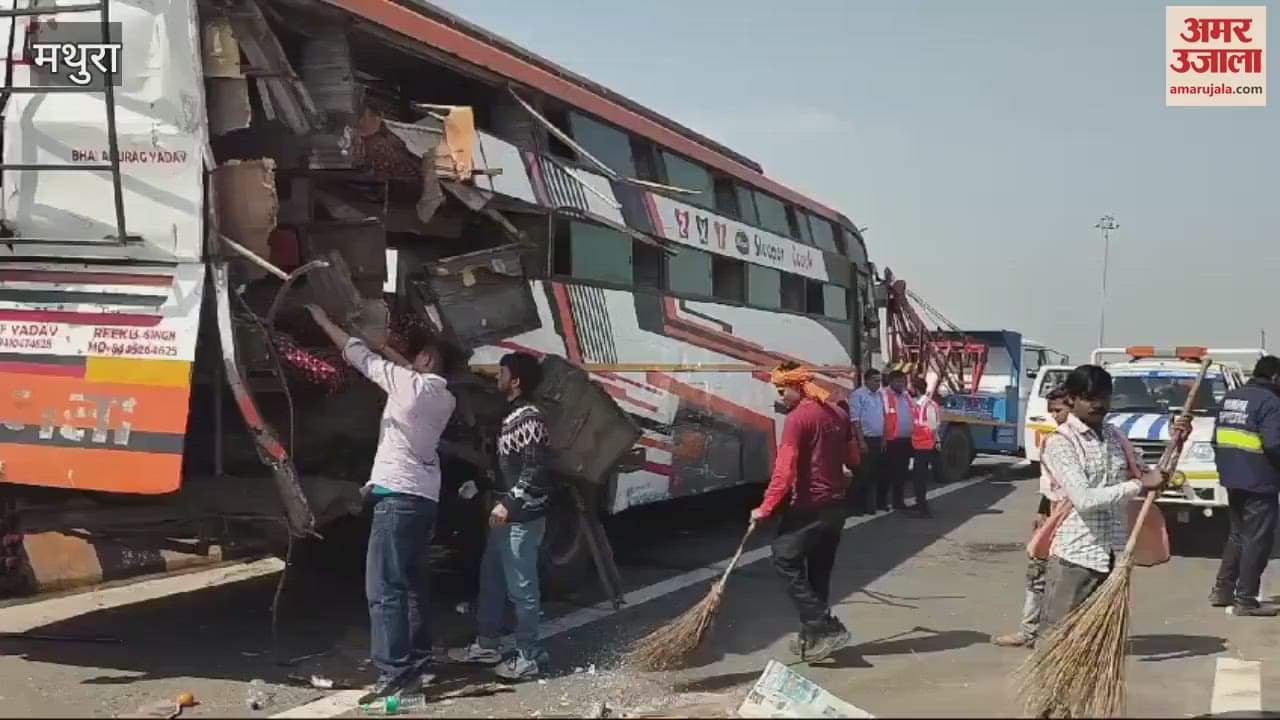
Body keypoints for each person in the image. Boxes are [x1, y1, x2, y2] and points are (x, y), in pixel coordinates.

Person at [306, 305, 456, 699]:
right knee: (412, 586)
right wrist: (391, 349)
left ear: (424, 360)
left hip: (396, 500)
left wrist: (325, 322)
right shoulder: (443, 397)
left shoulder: (408, 387)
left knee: (384, 588)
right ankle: (419, 664)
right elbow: (404, 367)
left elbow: (359, 357)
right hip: (424, 499)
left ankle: (395, 677)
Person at [449, 352, 555, 678]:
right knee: (491, 580)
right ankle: (487, 643)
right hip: (505, 519)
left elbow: (535, 471)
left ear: (517, 380)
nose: (497, 378)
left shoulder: (530, 418)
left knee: (522, 589)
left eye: (502, 373)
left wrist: (508, 503)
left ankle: (529, 656)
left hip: (522, 519)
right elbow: (506, 468)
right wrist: (480, 486)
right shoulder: (511, 415)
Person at [1038, 365, 1164, 634]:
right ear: (1071, 399)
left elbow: (1149, 477)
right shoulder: (1060, 443)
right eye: (1089, 398)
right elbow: (1084, 499)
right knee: (1057, 639)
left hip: (1114, 555)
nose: (1098, 404)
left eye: (1104, 397)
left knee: (1103, 638)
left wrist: (1178, 441)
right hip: (1076, 556)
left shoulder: (1116, 437)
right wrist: (1139, 484)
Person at [751, 362, 853, 663]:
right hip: (836, 507)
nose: (781, 397)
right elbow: (854, 456)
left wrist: (765, 508)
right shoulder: (839, 413)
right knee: (818, 571)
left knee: (783, 558)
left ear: (796, 387)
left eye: (782, 391)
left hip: (809, 508)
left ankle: (825, 625)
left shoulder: (797, 420)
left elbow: (784, 471)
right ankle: (813, 635)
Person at [993, 385, 1071, 648]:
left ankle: (1058, 634)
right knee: (1036, 572)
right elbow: (1051, 484)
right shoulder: (1055, 439)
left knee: (1065, 580)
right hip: (1052, 513)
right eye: (1051, 412)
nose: (1055, 416)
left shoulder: (1088, 441)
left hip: (1074, 519)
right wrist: (1042, 510)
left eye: (1059, 410)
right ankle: (1029, 631)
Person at [1209, 355, 1280, 617]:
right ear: (1275, 378)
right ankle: (1246, 599)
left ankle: (1223, 590)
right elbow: (1274, 443)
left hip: (1232, 476)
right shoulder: (1271, 402)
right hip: (1260, 478)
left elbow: (1215, 438)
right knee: (1258, 539)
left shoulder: (1231, 397)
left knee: (1238, 535)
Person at [849, 369, 883, 516]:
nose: (878, 384)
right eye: (875, 380)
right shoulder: (858, 395)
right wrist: (861, 442)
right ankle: (856, 507)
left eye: (879, 380)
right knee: (862, 475)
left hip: (877, 439)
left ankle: (871, 506)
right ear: (866, 380)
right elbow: (855, 420)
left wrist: (883, 439)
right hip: (865, 440)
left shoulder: (879, 396)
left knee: (874, 474)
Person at [881, 370, 915, 511]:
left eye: (903, 381)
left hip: (906, 440)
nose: (901, 384)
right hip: (891, 440)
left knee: (902, 473)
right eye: (898, 381)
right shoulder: (884, 395)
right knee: (888, 473)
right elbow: (881, 417)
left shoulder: (906, 396)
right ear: (891, 381)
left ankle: (898, 502)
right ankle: (883, 502)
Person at [907, 375, 940, 519]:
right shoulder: (918, 404)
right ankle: (919, 503)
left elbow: (933, 426)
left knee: (919, 478)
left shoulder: (928, 405)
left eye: (911, 388)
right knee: (917, 477)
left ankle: (923, 508)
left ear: (915, 389)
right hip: (918, 445)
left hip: (925, 446)